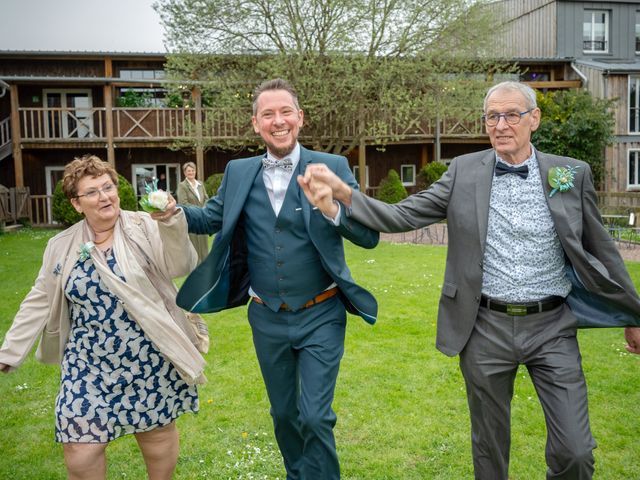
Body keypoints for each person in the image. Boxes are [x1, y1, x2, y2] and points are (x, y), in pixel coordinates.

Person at [299, 81, 640, 480]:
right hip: (484, 328)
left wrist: (632, 315)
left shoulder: (569, 174)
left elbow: (602, 250)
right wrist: (345, 193)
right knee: (489, 448)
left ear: (534, 119)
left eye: (511, 114)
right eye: (492, 116)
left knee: (576, 453)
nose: (500, 124)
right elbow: (402, 216)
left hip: (552, 327)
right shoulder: (463, 172)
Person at [153, 78, 379, 480]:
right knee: (284, 414)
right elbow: (212, 218)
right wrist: (176, 212)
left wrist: (331, 210)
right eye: (268, 114)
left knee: (315, 416)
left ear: (300, 118)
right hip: (266, 316)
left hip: (321, 312)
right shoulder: (238, 172)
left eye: (286, 112)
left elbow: (367, 235)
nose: (279, 121)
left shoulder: (333, 167)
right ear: (256, 123)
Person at [0, 155, 206, 480]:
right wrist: (9, 352)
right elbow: (39, 298)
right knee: (79, 451)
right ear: (77, 204)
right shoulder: (61, 245)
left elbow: (181, 264)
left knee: (156, 436)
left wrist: (170, 222)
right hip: (88, 363)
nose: (105, 196)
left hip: (147, 356)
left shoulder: (145, 225)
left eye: (108, 187)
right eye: (92, 192)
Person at [177, 161, 210, 264]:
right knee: (194, 245)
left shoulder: (200, 184)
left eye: (192, 170)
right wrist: (198, 210)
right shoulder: (182, 186)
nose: (191, 173)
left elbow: (206, 198)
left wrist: (205, 208)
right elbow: (183, 203)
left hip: (203, 219)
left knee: (204, 245)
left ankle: (205, 267)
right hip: (192, 219)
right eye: (188, 171)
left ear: (195, 172)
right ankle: (196, 269)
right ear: (185, 173)